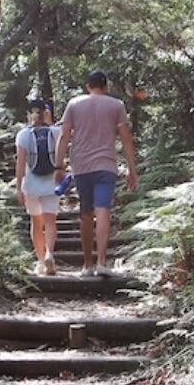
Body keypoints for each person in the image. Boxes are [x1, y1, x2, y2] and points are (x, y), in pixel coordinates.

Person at [55, 70, 138, 277]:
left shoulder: (74, 104)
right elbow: (126, 138)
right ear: (106, 86)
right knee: (103, 211)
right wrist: (132, 170)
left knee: (85, 213)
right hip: (106, 164)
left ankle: (87, 265)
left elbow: (65, 134)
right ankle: (102, 262)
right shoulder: (116, 105)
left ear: (87, 86)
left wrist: (58, 165)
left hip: (81, 166)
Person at [15, 98, 61, 276]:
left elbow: (20, 164)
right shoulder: (56, 132)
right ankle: (50, 252)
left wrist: (19, 187)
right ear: (46, 112)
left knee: (36, 223)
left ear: (29, 114)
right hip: (52, 183)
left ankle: (41, 262)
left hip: (31, 185)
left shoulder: (23, 135)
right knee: (50, 221)